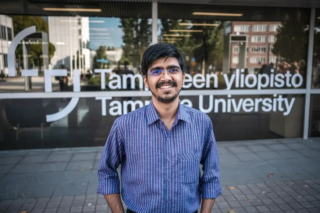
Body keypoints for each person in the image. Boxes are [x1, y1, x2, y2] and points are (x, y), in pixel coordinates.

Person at [97, 43, 222, 213]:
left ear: (183, 77)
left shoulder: (202, 123)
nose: (165, 77)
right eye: (156, 71)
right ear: (146, 81)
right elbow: (106, 172)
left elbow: (211, 175)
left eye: (172, 69)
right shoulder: (124, 126)